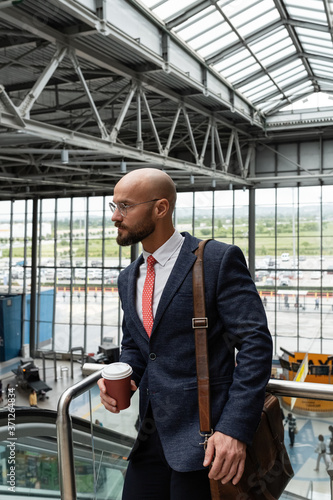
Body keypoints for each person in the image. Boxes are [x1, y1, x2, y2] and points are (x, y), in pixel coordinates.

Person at [97, 168, 273, 500]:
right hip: (150, 436)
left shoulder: (216, 260)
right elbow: (136, 345)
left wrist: (234, 430)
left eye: (125, 206)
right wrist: (124, 375)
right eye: (113, 206)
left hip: (207, 442)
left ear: (160, 208)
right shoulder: (128, 277)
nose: (115, 217)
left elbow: (255, 345)